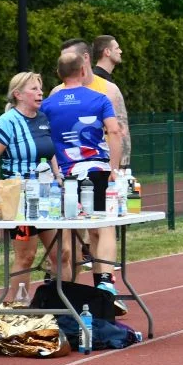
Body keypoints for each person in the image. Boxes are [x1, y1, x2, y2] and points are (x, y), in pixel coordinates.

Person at [41, 51, 123, 307]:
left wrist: (54, 171)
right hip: (95, 170)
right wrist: (114, 168)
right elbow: (114, 131)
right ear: (83, 71)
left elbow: (43, 139)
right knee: (103, 227)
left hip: (64, 175)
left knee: (68, 238)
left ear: (58, 74)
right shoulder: (99, 98)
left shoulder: (48, 105)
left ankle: (68, 297)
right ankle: (105, 284)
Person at [0, 71, 63, 299]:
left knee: (62, 254)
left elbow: (49, 151)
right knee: (26, 256)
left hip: (46, 198)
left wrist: (58, 175)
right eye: (34, 89)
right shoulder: (7, 121)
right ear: (18, 94)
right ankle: (18, 306)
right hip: (20, 201)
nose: (40, 93)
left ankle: (58, 304)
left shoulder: (43, 119)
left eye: (41, 88)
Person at [58, 38, 131, 276]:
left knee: (100, 229)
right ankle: (71, 288)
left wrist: (118, 169)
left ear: (85, 59)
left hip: (101, 169)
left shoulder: (108, 91)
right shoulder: (57, 93)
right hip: (68, 172)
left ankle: (103, 285)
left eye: (70, 59)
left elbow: (120, 130)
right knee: (71, 234)